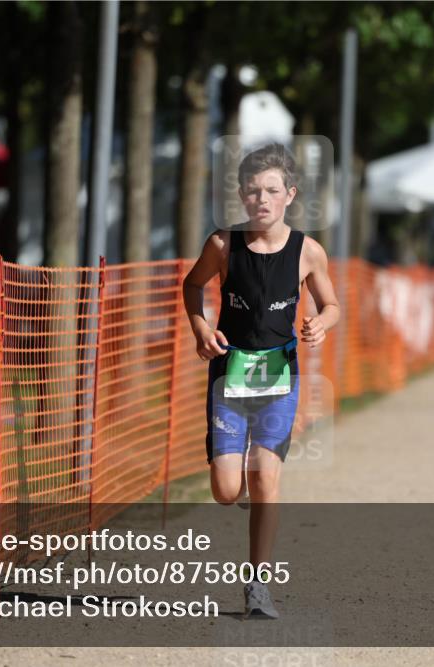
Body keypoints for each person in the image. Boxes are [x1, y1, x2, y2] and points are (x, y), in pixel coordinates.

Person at [181, 143, 340, 619]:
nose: (262, 199)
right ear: (241, 195)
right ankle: (239, 484)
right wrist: (202, 328)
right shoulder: (222, 246)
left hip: (279, 376)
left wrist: (319, 324)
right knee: (227, 492)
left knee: (267, 477)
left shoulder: (308, 252)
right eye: (253, 191)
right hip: (229, 375)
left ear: (290, 194)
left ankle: (257, 587)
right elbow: (192, 286)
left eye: (272, 190)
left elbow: (332, 305)